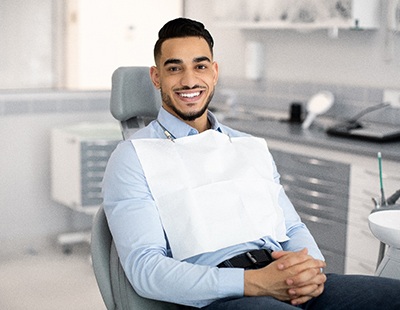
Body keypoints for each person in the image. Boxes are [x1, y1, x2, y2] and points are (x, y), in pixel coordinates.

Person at [102, 17, 400, 309]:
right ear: (157, 77)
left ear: (214, 72)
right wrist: (254, 283)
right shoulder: (134, 156)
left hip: (284, 278)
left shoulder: (248, 145)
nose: (189, 80)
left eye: (200, 66)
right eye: (174, 68)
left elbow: (292, 227)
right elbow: (146, 269)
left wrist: (310, 271)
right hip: (225, 295)